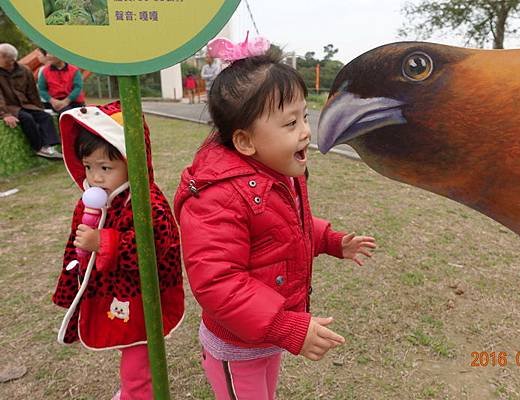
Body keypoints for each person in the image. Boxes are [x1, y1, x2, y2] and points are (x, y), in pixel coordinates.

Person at [173, 42, 377, 399]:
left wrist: (329, 241)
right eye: (290, 123)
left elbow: (285, 228)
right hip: (238, 343)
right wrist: (286, 326)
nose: (305, 132)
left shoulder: (272, 172)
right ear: (245, 141)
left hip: (265, 335)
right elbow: (219, 283)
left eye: (305, 118)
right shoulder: (218, 197)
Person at [52, 101, 185, 399]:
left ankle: (136, 393)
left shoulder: (147, 203)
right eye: (88, 166)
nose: (95, 177)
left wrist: (103, 242)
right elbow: (75, 250)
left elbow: (153, 246)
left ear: (132, 162)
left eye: (105, 167)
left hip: (143, 300)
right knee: (130, 353)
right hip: (113, 298)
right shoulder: (93, 200)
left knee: (138, 362)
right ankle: (132, 390)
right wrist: (68, 288)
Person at [0, 43, 62, 159]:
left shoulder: (24, 70)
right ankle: (39, 148)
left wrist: (39, 108)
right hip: (9, 107)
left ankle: (50, 147)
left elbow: (32, 92)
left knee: (45, 116)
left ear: (9, 59)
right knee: (27, 118)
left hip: (25, 104)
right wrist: (5, 114)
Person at [37, 48, 85, 115]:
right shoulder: (45, 71)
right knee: (67, 113)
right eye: (47, 53)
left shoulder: (74, 70)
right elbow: (42, 89)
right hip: (56, 102)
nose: (47, 55)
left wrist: (66, 101)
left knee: (77, 114)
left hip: (75, 101)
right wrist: (52, 101)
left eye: (50, 53)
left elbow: (78, 87)